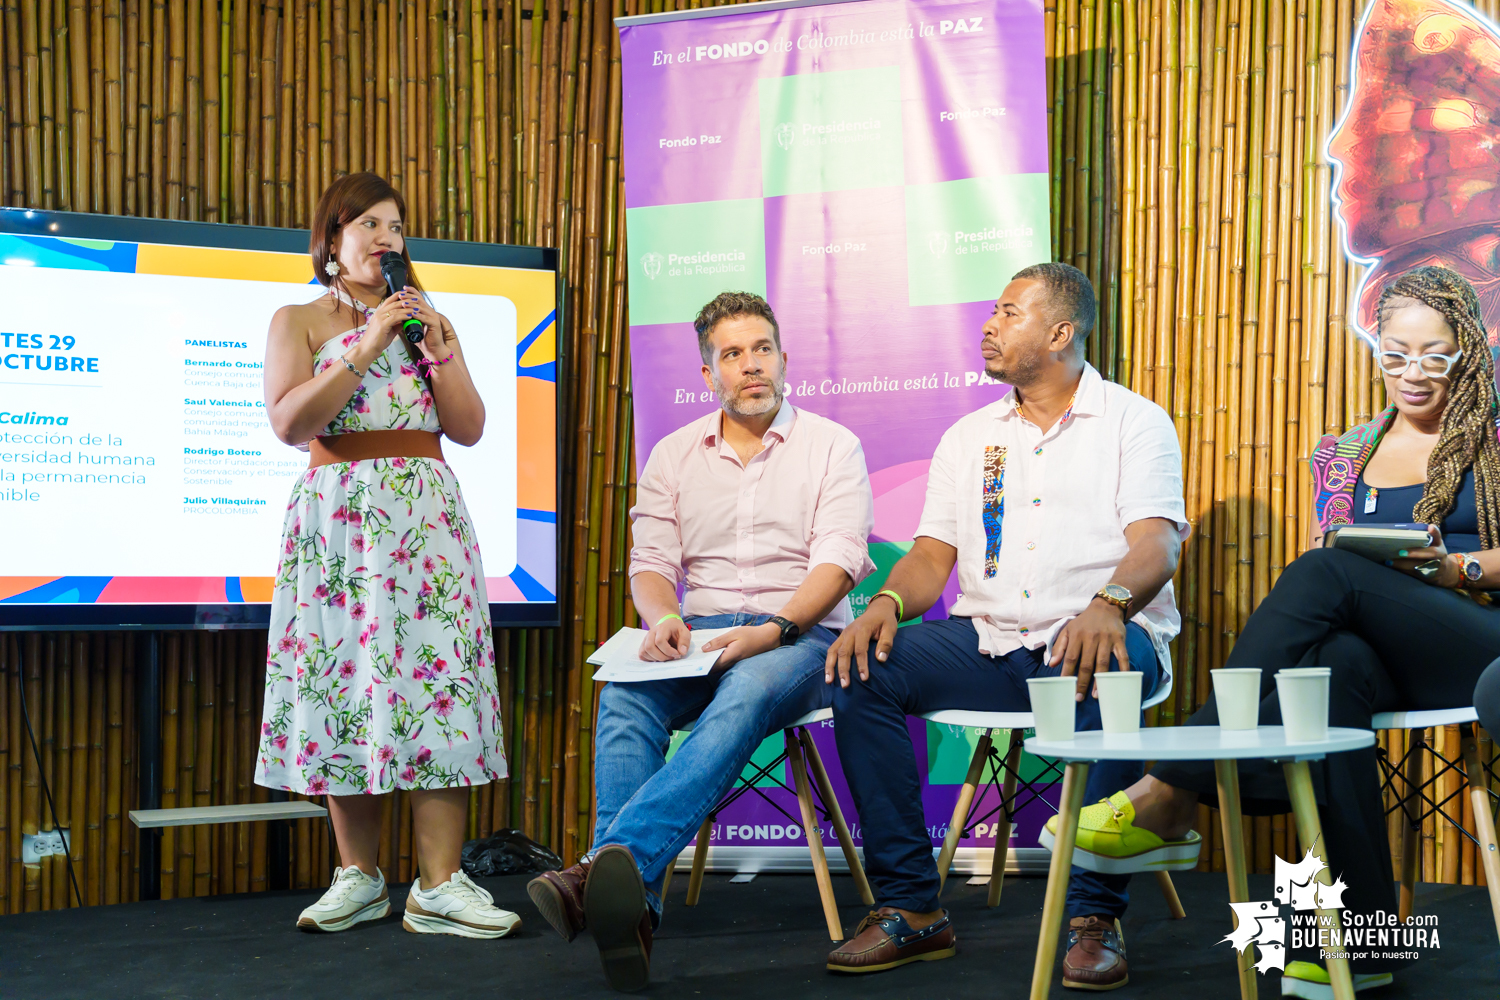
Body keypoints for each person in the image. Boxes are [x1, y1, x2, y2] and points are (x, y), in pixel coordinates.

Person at [1060, 265, 1500, 999]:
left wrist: (1456, 568)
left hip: (1478, 650)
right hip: (1383, 656)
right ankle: (1358, 942)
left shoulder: (1492, 438)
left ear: (1468, 351)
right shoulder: (1345, 451)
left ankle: (1174, 784)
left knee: (1323, 576)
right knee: (1326, 666)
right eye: (1396, 354)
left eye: (1434, 355)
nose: (1412, 373)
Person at [822, 262, 1188, 990]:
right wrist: (889, 605)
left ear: (1061, 332)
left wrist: (1108, 602)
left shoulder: (1133, 421)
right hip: (989, 640)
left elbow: (1158, 542)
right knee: (863, 668)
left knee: (1097, 666)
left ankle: (1093, 915)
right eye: (992, 311)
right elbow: (931, 557)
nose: (988, 325)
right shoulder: (969, 437)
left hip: (1101, 632)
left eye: (1009, 313)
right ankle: (911, 907)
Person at [526, 291, 874, 992]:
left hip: (799, 637)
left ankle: (600, 869)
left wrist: (771, 631)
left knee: (746, 686)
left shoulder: (834, 446)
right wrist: (662, 620)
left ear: (783, 357)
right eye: (733, 354)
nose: (752, 366)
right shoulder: (675, 453)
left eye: (763, 349)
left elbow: (836, 567)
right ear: (708, 372)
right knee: (626, 695)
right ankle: (633, 911)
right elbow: (653, 564)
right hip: (702, 632)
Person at [255, 172, 517, 938]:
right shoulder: (298, 319)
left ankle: (440, 886)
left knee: (442, 682)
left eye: (395, 226)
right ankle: (359, 878)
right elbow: (290, 422)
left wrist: (436, 351)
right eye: (366, 223)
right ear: (331, 242)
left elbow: (467, 428)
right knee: (346, 682)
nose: (384, 237)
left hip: (426, 519)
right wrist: (367, 346)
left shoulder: (429, 322)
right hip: (339, 523)